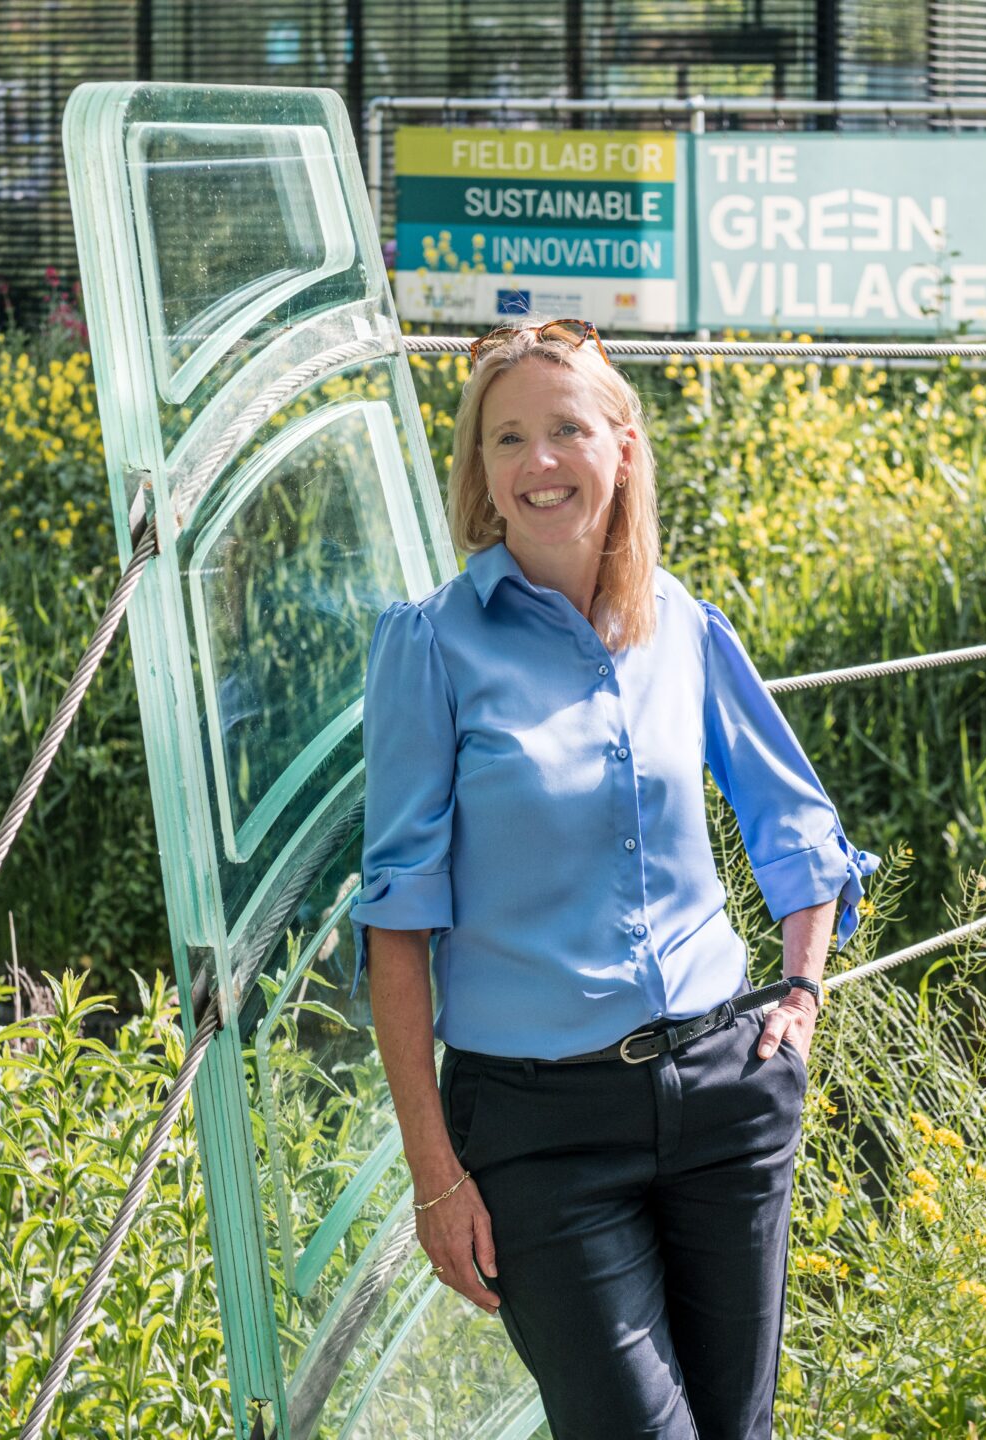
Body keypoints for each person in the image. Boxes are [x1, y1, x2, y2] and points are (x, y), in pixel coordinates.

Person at [352, 317, 879, 1440]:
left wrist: (801, 991)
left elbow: (795, 818)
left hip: (725, 1096)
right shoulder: (431, 648)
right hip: (539, 1133)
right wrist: (434, 1174)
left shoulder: (679, 623)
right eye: (507, 439)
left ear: (622, 448)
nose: (538, 462)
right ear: (481, 473)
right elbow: (395, 930)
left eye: (565, 430)